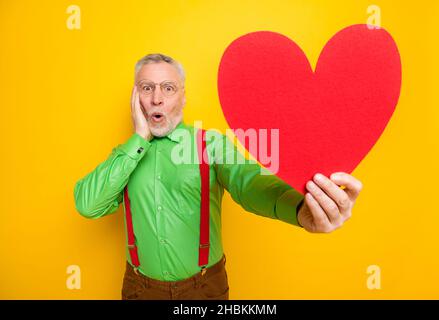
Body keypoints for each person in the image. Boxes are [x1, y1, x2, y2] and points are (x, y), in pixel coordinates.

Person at [73, 53, 363, 300]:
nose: (157, 98)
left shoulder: (210, 145)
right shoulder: (125, 156)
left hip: (204, 288)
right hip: (139, 288)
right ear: (135, 99)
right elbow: (88, 204)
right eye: (146, 88)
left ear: (183, 97)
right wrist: (138, 138)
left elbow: (248, 183)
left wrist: (300, 209)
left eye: (168, 88)